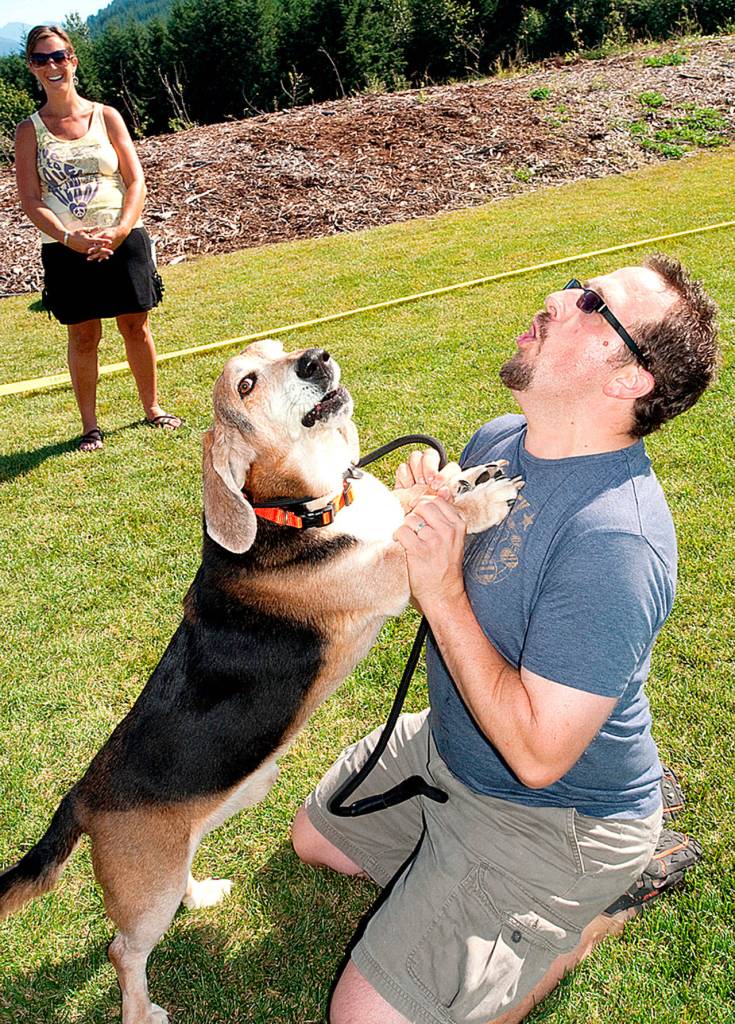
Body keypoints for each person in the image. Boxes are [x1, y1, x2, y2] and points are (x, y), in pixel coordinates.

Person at [291, 254, 720, 1024]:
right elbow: (461, 552)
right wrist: (426, 506)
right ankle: (469, 886)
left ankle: (582, 917)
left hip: (556, 815)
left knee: (362, 1019)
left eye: (592, 304)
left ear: (628, 382)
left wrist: (444, 587)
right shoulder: (501, 437)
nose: (558, 297)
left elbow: (536, 756)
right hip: (455, 747)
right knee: (314, 839)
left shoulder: (615, 542)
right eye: (579, 283)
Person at [15, 25, 181, 452]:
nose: (52, 65)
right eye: (41, 58)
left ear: (73, 59)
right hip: (67, 248)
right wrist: (70, 238)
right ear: (32, 68)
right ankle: (91, 426)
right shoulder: (29, 131)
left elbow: (135, 180)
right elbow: (31, 201)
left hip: (122, 239)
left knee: (135, 326)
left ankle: (152, 408)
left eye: (58, 56)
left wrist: (122, 228)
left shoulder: (106, 116)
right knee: (83, 336)